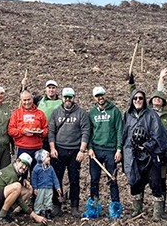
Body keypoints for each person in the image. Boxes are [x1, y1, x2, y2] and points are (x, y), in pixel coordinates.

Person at [122, 88, 167, 219]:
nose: (138, 100)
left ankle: (157, 213)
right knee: (135, 181)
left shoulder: (152, 115)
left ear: (144, 100)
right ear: (132, 100)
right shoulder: (128, 115)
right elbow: (125, 135)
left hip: (150, 155)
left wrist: (146, 146)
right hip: (133, 155)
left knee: (155, 182)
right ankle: (137, 209)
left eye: (140, 98)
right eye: (135, 98)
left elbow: (158, 135)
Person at [48, 87, 91, 216]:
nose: (68, 99)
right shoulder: (56, 113)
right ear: (62, 98)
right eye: (66, 97)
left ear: (74, 98)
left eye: (70, 97)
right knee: (57, 178)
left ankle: (74, 206)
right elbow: (51, 131)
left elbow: (85, 132)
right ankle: (56, 204)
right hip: (59, 150)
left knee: (74, 179)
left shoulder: (81, 113)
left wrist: (82, 150)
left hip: (74, 151)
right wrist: (52, 148)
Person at [0, 152, 47, 224]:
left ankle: (7, 212)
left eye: (27, 166)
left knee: (28, 190)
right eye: (23, 164)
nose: (24, 167)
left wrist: (23, 180)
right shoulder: (11, 173)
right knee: (17, 187)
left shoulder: (15, 171)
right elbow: (18, 197)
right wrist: (33, 215)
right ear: (17, 161)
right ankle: (2, 215)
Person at [87, 86, 123, 213]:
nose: (100, 98)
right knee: (94, 179)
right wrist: (89, 148)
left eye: (102, 95)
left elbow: (120, 130)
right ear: (94, 98)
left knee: (112, 179)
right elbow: (89, 133)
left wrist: (119, 149)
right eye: (97, 96)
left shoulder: (114, 111)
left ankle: (115, 207)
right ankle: (94, 206)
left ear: (105, 95)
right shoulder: (92, 113)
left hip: (110, 150)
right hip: (96, 151)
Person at [8, 90, 48, 164]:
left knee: (36, 172)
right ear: (21, 100)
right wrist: (22, 131)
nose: (27, 102)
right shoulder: (16, 113)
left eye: (29, 99)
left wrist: (39, 132)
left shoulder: (40, 113)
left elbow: (46, 130)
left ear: (32, 99)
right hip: (22, 148)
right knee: (22, 173)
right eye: (24, 100)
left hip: (37, 148)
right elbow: (11, 131)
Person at [31, 149, 62, 218]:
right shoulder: (36, 169)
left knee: (48, 200)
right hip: (40, 188)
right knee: (39, 200)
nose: (49, 158)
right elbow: (34, 179)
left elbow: (55, 178)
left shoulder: (50, 168)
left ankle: (48, 211)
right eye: (47, 157)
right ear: (42, 158)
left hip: (49, 187)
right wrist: (35, 188)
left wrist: (57, 187)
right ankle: (37, 212)